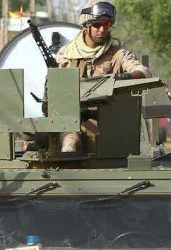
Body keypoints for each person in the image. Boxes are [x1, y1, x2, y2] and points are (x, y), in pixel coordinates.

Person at [55, 1, 150, 152]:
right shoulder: (66, 54)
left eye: (106, 25)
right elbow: (55, 91)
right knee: (70, 144)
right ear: (86, 25)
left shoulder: (117, 55)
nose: (102, 29)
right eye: (97, 24)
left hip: (106, 126)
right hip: (70, 123)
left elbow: (143, 72)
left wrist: (123, 78)